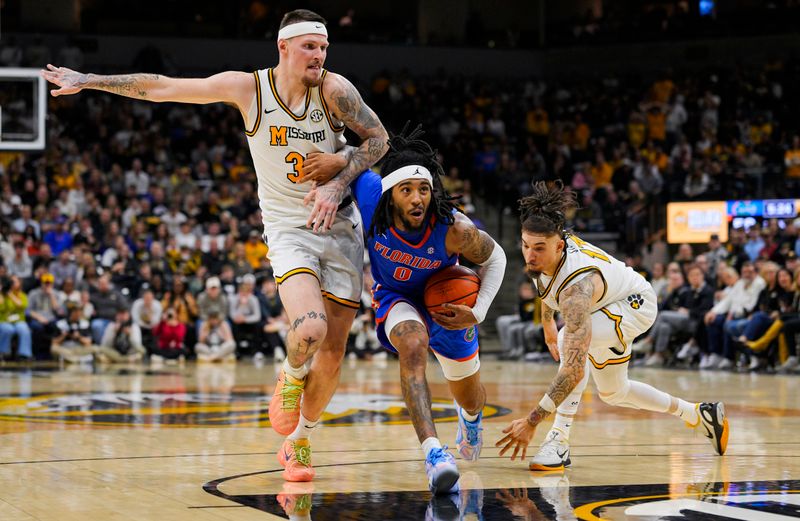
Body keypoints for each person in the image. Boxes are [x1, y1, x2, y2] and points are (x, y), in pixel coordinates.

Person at [41, 8, 389, 483]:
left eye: (324, 47)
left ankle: (301, 440)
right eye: (310, 46)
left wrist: (340, 172)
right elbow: (162, 86)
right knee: (309, 331)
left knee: (333, 352)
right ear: (283, 47)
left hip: (340, 226)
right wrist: (89, 79)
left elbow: (380, 140)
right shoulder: (248, 89)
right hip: (289, 227)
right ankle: (289, 375)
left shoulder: (334, 90)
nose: (319, 56)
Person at [495, 181, 729, 471]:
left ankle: (559, 440)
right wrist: (546, 325)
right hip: (605, 303)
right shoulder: (544, 255)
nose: (530, 255)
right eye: (525, 245)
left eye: (538, 248)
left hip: (635, 304)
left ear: (558, 245)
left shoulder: (576, 288)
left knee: (572, 339)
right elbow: (545, 285)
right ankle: (698, 414)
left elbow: (573, 371)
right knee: (614, 392)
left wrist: (532, 421)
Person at [350, 126, 507, 494]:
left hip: (449, 306)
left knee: (470, 396)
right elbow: (348, 154)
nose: (417, 198)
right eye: (407, 191)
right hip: (397, 297)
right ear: (391, 195)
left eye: (423, 189)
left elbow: (497, 257)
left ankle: (470, 418)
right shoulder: (372, 195)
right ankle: (435, 453)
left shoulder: (454, 228)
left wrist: (479, 311)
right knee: (413, 344)